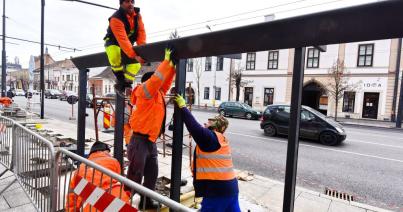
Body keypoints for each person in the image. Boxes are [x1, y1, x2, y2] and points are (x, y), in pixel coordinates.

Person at [173, 95, 241, 212]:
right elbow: (199, 128)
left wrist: (183, 107)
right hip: (231, 189)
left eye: (208, 122)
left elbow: (194, 127)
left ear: (214, 127)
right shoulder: (220, 138)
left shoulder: (211, 138)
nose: (205, 123)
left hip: (217, 191)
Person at [126, 48, 176, 209]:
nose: (160, 83)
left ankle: (146, 200)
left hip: (150, 142)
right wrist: (166, 62)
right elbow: (157, 79)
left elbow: (165, 81)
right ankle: (124, 201)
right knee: (135, 175)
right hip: (139, 141)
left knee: (151, 175)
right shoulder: (144, 91)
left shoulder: (158, 93)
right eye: (156, 81)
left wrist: (173, 67)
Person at [66, 142, 131, 212]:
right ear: (105, 151)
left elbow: (72, 197)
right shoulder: (114, 161)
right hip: (118, 202)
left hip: (91, 207)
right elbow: (119, 181)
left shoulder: (80, 169)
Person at [104, 0, 146, 96]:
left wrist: (142, 49)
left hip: (128, 43)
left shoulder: (137, 15)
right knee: (114, 55)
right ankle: (120, 79)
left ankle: (126, 84)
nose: (130, 4)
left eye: (132, 1)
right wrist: (134, 55)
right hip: (113, 41)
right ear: (121, 4)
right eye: (127, 1)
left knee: (136, 64)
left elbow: (141, 32)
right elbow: (122, 39)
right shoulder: (116, 18)